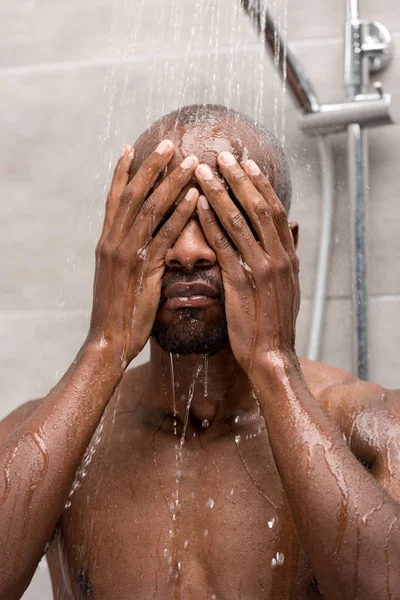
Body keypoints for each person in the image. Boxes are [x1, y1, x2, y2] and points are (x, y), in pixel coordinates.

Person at [0, 104, 399, 600]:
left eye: (223, 216)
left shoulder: (375, 427)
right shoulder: (49, 439)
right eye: (161, 217)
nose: (188, 251)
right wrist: (102, 346)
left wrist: (274, 362)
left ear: (285, 252)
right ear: (115, 247)